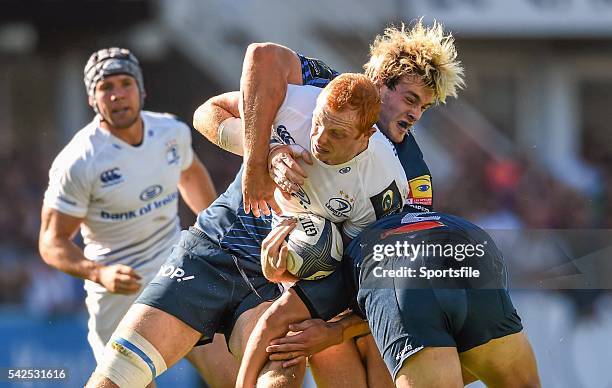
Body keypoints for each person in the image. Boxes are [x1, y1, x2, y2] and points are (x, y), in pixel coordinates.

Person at [85, 72, 408, 388]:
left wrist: (322, 315)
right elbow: (206, 113)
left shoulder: (383, 186)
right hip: (214, 248)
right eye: (318, 123)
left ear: (365, 136)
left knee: (278, 378)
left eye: (336, 134)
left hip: (275, 289)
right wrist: (264, 151)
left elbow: (366, 280)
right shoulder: (297, 103)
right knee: (118, 374)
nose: (319, 139)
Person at [227, 20, 466, 387]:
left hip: (364, 309)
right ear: (380, 84)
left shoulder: (412, 175)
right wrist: (262, 158)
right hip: (308, 283)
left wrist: (337, 330)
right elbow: (231, 89)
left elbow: (402, 275)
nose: (416, 114)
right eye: (411, 99)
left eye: (424, 108)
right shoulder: (328, 92)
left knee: (367, 336)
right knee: (301, 341)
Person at [38, 47, 237, 387]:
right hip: (117, 293)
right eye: (106, 87)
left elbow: (188, 174)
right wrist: (99, 272)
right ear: (92, 98)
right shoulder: (79, 161)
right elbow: (51, 242)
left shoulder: (170, 132)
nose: (117, 95)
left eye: (125, 83)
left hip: (175, 272)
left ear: (141, 90)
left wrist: (217, 240)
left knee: (236, 378)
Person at [259, 210, 541, 388]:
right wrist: (335, 332)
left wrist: (332, 331)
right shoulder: (405, 193)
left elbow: (274, 319)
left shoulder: (338, 270)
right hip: (470, 244)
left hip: (401, 277)